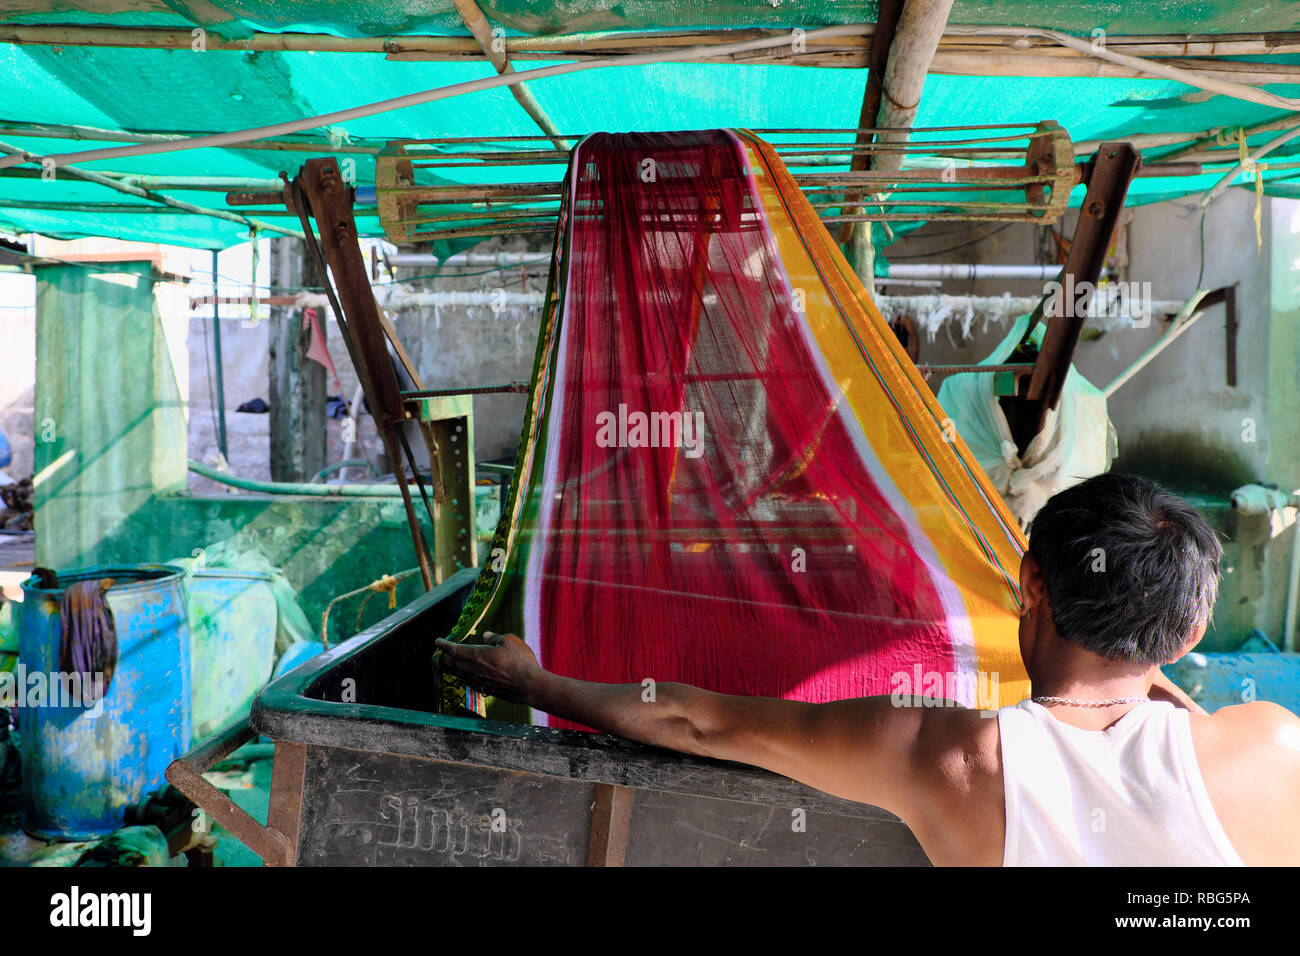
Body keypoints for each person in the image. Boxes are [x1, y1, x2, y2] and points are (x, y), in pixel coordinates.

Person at [437, 473, 1300, 866]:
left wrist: (538, 683)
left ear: (1029, 585)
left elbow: (698, 720)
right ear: (1186, 642)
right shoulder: (1271, 749)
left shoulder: (950, 755)